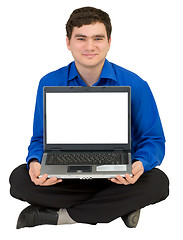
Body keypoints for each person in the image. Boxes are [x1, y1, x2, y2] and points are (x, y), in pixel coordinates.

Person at [9, 6, 169, 229]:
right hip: (67, 175)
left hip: (117, 175)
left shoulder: (136, 84)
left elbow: (153, 139)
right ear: (68, 42)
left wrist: (139, 164)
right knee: (19, 180)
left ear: (109, 42)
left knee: (159, 183)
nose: (90, 46)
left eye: (98, 38)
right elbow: (39, 139)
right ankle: (119, 206)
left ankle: (60, 216)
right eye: (81, 38)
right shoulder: (49, 82)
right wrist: (35, 163)